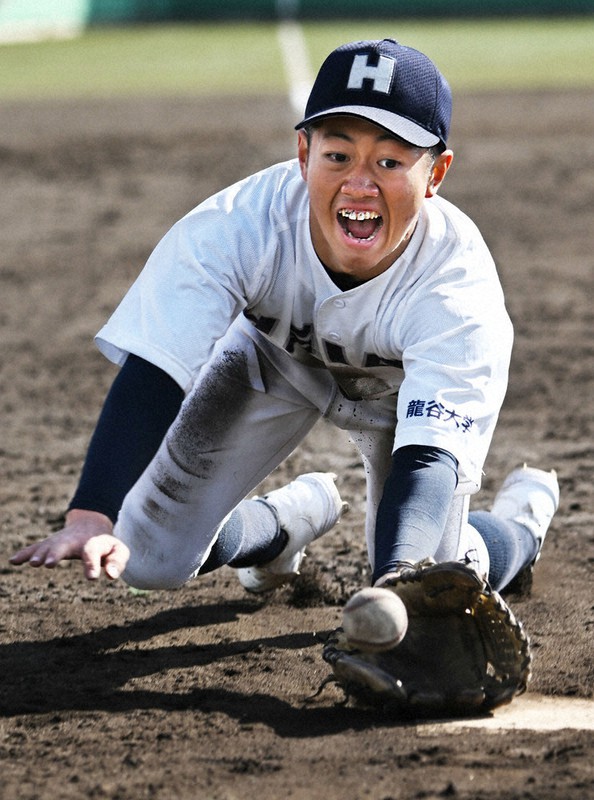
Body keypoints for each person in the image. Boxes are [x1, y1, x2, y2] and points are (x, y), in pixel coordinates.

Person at [10, 38, 559, 600]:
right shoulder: (239, 226)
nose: (360, 184)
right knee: (143, 554)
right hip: (273, 360)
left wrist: (398, 580)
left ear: (436, 173)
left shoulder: (457, 288)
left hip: (400, 400)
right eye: (338, 156)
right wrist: (92, 515)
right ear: (303, 154)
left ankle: (520, 524)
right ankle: (282, 525)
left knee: (433, 581)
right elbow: (157, 368)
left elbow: (429, 459)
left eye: (390, 162)